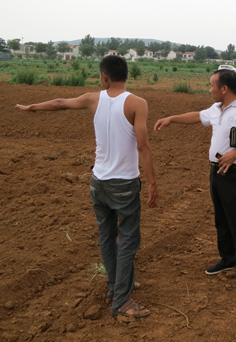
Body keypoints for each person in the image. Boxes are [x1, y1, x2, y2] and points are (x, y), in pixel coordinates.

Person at [16, 55, 158, 318]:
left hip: (98, 182)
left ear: (104, 76)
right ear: (126, 75)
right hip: (124, 184)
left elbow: (60, 103)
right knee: (128, 239)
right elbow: (143, 145)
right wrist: (151, 182)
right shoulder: (137, 103)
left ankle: (115, 286)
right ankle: (122, 302)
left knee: (107, 237)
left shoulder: (93, 99)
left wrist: (31, 107)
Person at [154, 69, 236, 293]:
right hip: (216, 171)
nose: (209, 90)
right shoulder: (216, 109)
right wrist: (171, 119)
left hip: (235, 174)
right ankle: (228, 259)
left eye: (212, 86)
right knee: (221, 218)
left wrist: (235, 154)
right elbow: (197, 116)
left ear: (224, 89)